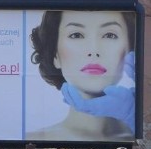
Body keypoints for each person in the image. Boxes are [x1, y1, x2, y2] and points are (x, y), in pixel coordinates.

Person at [28, 10, 135, 141]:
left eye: (109, 35)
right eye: (76, 35)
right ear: (55, 55)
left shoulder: (142, 140)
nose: (94, 50)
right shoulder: (34, 140)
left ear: (129, 49)